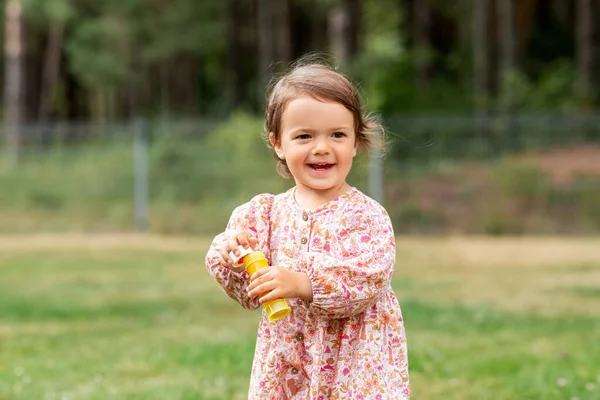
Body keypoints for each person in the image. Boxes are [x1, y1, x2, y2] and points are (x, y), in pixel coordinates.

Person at [205, 59, 409, 399]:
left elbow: (368, 277)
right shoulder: (265, 215)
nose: (322, 147)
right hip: (287, 364)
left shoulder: (366, 216)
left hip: (353, 364)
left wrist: (304, 283)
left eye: (338, 135)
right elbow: (247, 290)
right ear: (278, 143)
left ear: (356, 142)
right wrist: (232, 254)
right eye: (304, 136)